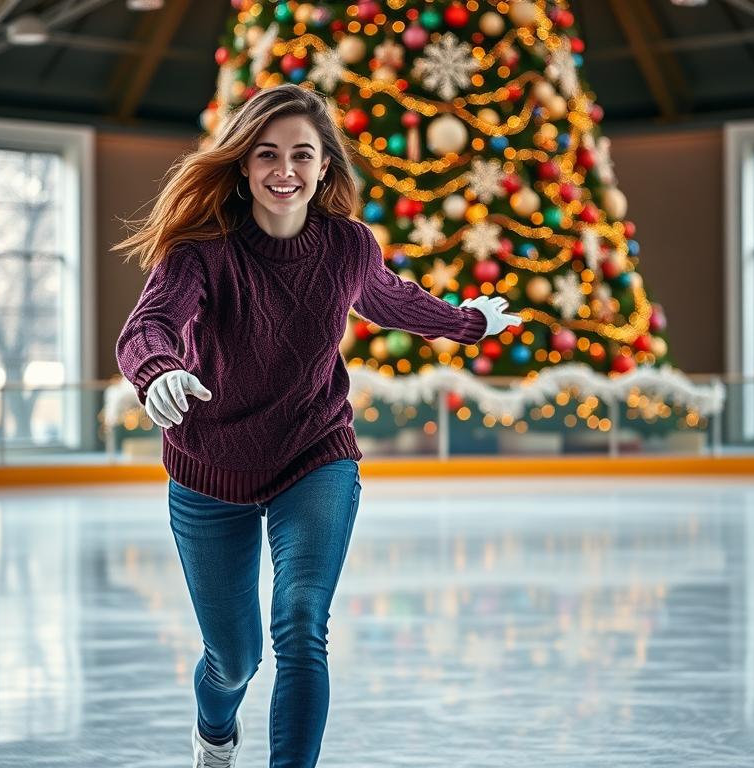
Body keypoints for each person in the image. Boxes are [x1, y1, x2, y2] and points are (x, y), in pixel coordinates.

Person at [113, 83, 520, 768]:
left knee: (300, 625)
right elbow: (150, 324)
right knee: (233, 659)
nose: (284, 170)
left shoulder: (348, 247)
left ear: (325, 166)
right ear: (242, 165)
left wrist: (469, 321)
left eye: (302, 154)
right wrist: (157, 370)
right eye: (266, 154)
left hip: (315, 451)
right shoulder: (201, 251)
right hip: (210, 463)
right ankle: (215, 735)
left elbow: (395, 302)